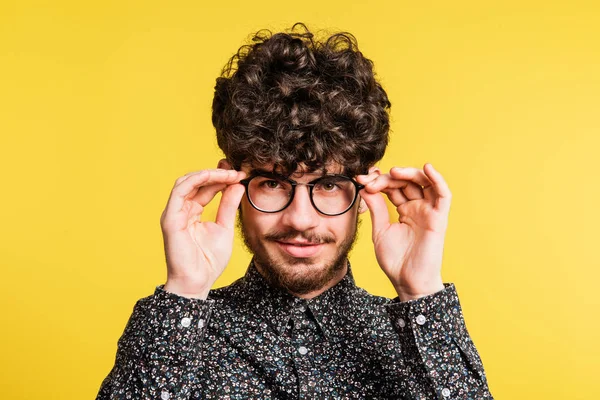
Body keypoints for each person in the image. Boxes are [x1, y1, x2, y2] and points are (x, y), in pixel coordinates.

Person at [96, 23, 493, 399]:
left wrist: (421, 291)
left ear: (366, 190)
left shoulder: (413, 338)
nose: (300, 219)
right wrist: (184, 290)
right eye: (272, 183)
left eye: (329, 185)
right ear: (228, 184)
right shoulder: (178, 334)